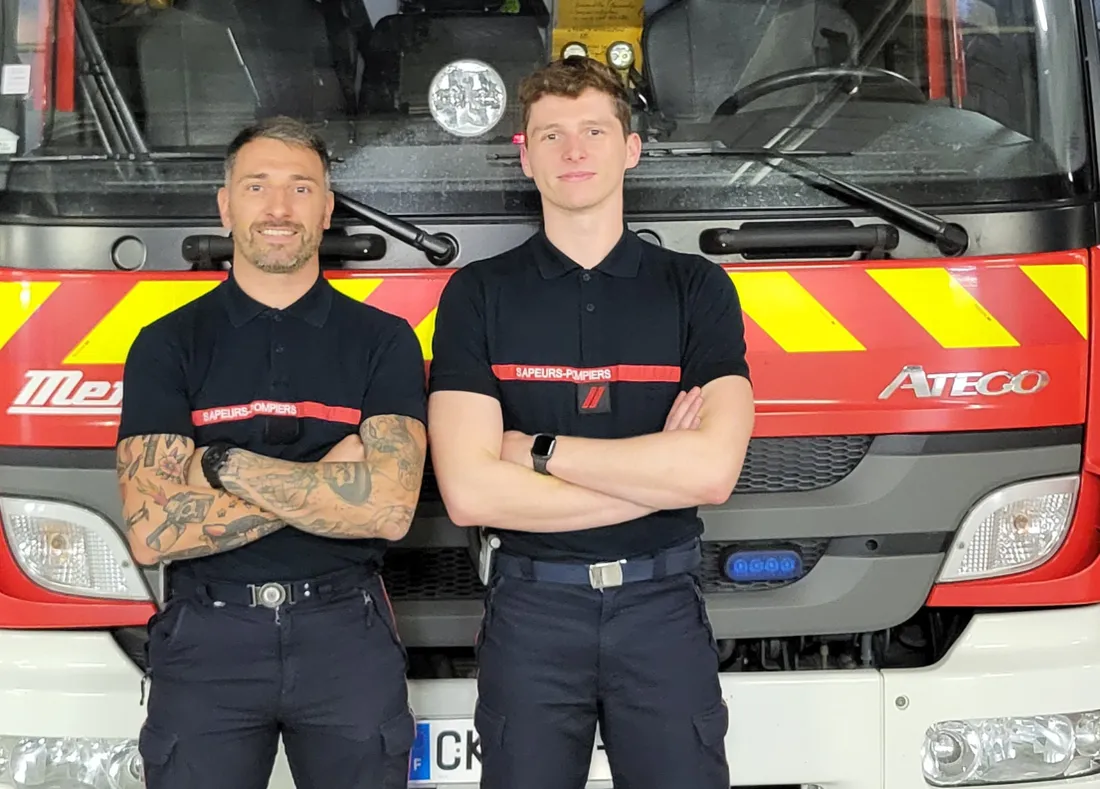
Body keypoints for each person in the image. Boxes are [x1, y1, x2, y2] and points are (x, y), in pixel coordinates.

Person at [426, 56, 755, 789]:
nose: (574, 151)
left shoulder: (697, 288)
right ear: (524, 153)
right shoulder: (476, 295)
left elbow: (712, 471)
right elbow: (472, 494)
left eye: (594, 131)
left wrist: (538, 451)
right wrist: (656, 479)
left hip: (661, 613)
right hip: (531, 612)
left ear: (631, 148)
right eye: (551, 135)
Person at [115, 116, 427, 789]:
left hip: (346, 635)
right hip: (206, 640)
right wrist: (331, 481)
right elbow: (151, 529)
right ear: (226, 205)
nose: (279, 209)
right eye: (257, 187)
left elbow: (391, 510)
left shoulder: (384, 340)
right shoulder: (167, 343)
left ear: (327, 207)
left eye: (300, 188)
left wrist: (221, 464)